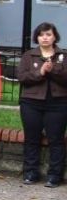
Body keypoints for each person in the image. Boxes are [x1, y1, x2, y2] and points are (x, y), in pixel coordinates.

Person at [16, 22, 67, 187]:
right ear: (37, 37)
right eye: (41, 35)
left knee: (56, 139)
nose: (45, 38)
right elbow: (22, 78)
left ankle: (55, 175)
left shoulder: (63, 56)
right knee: (32, 138)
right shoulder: (28, 56)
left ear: (54, 37)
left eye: (48, 34)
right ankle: (30, 172)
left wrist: (53, 70)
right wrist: (40, 72)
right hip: (31, 103)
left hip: (58, 103)